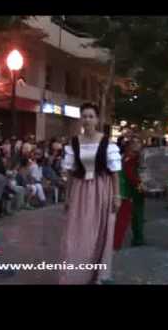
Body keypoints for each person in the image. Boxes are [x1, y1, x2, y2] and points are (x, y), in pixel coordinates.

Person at [59, 103, 122, 284]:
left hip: (102, 190)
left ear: (96, 119)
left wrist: (116, 196)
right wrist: (67, 196)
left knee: (100, 232)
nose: (87, 119)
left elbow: (114, 173)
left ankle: (97, 276)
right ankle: (76, 275)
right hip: (80, 191)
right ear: (81, 119)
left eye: (90, 116)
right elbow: (70, 173)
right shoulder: (75, 142)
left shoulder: (106, 142)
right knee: (77, 233)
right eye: (84, 116)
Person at [114, 135, 145, 250]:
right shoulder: (129, 158)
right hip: (128, 192)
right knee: (124, 218)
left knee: (136, 216)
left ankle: (138, 238)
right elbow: (131, 175)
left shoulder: (128, 157)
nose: (138, 145)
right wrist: (141, 185)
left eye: (139, 143)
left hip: (131, 191)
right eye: (135, 143)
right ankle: (116, 243)